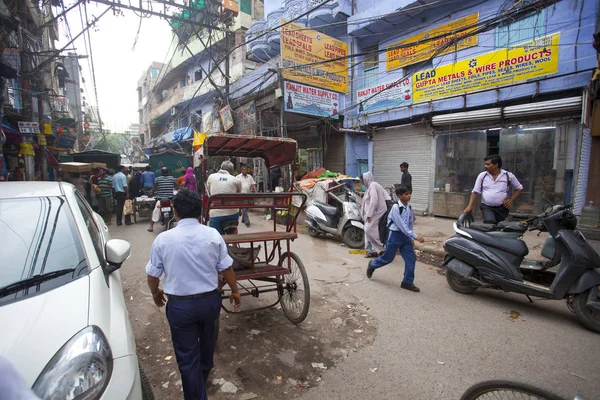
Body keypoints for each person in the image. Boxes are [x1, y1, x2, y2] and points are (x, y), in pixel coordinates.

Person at [146, 190, 242, 400]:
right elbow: (226, 268)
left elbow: (152, 275)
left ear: (175, 211)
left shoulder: (163, 239)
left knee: (187, 358)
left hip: (181, 307)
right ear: (200, 211)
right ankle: (203, 375)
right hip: (209, 303)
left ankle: (196, 389)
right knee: (207, 344)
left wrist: (155, 293)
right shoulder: (212, 234)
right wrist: (235, 291)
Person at [366, 185, 424, 292]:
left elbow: (410, 223)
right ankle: (373, 265)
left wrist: (410, 238)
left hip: (405, 237)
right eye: (406, 194)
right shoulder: (395, 208)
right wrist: (415, 236)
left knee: (411, 259)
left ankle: (407, 282)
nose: (409, 196)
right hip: (395, 236)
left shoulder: (409, 207)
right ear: (399, 196)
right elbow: (401, 225)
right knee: (388, 258)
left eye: (409, 193)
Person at [464, 154, 523, 224]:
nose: (485, 166)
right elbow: (475, 192)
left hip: (502, 208)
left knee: (498, 225)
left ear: (496, 165)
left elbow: (519, 188)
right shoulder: (482, 176)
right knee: (490, 221)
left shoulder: (508, 175)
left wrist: (511, 199)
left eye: (488, 164)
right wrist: (470, 206)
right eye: (485, 164)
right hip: (486, 206)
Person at [206, 161, 241, 234]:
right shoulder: (236, 180)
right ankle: (234, 241)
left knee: (217, 236)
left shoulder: (211, 177)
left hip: (216, 214)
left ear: (221, 167)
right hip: (233, 214)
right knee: (232, 234)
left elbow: (209, 192)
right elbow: (238, 194)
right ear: (231, 170)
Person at [361, 172, 391, 258]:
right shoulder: (371, 187)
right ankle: (373, 251)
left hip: (376, 214)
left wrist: (369, 215)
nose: (362, 183)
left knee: (369, 230)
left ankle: (382, 249)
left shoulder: (373, 185)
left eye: (362, 180)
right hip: (374, 214)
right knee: (370, 232)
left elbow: (373, 200)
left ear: (366, 179)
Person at [148, 167, 177, 232]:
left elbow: (154, 188)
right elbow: (176, 187)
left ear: (161, 172)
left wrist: (152, 193)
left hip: (160, 198)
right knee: (177, 209)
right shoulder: (172, 178)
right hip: (170, 198)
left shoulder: (158, 179)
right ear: (168, 172)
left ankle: (151, 226)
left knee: (155, 210)